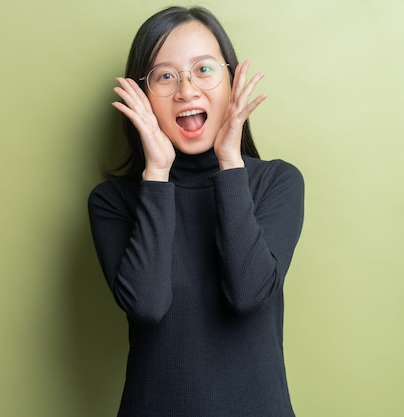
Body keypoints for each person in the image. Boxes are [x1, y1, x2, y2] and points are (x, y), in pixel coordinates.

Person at [87, 6, 305, 417]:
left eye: (204, 69)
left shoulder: (276, 183)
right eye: (165, 75)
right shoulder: (113, 201)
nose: (186, 90)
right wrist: (156, 174)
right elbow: (147, 305)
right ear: (142, 95)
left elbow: (248, 295)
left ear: (231, 79)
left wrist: (229, 160)